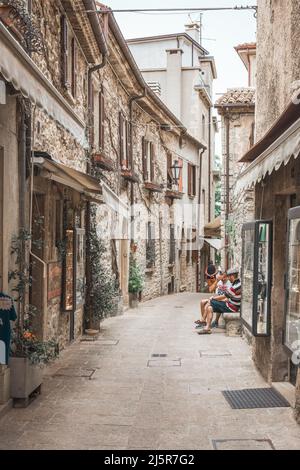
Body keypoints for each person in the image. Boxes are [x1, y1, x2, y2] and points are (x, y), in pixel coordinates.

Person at [198, 268, 241, 335]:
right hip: (230, 304)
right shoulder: (237, 283)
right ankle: (207, 328)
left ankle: (203, 320)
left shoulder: (235, 286)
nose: (228, 278)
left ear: (232, 276)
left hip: (231, 307)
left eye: (229, 277)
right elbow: (212, 290)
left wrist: (213, 298)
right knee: (209, 307)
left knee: (210, 301)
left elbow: (224, 296)